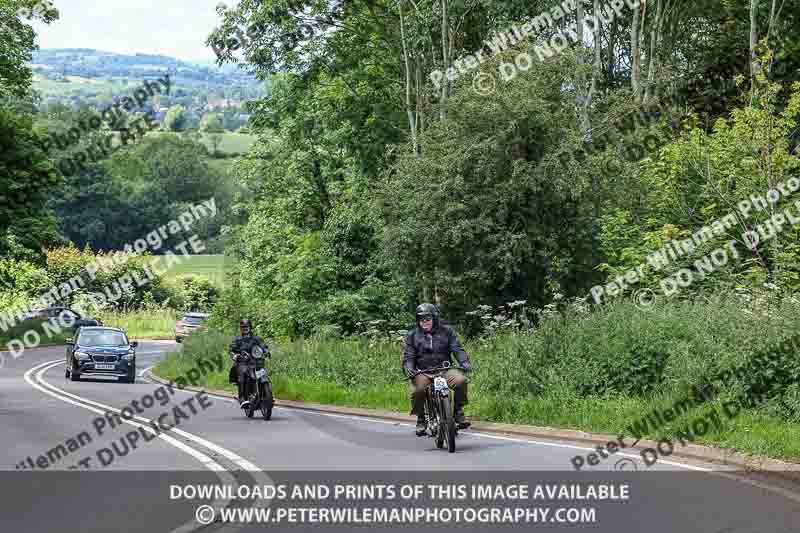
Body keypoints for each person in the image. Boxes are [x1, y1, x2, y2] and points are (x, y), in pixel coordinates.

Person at [403, 303, 473, 436]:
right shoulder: (412, 335)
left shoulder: (447, 331)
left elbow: (457, 349)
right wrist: (410, 368)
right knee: (419, 390)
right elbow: (409, 356)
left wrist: (464, 362)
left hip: (444, 369)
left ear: (434, 318)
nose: (424, 322)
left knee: (461, 381)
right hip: (422, 372)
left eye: (427, 319)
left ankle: (458, 412)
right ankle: (421, 418)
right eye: (421, 319)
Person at [229, 318, 271, 408]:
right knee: (243, 374)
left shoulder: (256, 338)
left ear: (250, 327)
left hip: (255, 361)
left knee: (263, 373)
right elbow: (232, 350)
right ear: (240, 328)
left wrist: (266, 351)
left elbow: (263, 345)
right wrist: (235, 355)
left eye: (247, 326)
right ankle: (242, 398)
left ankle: (267, 395)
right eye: (243, 327)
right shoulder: (237, 339)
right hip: (243, 362)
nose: (245, 328)